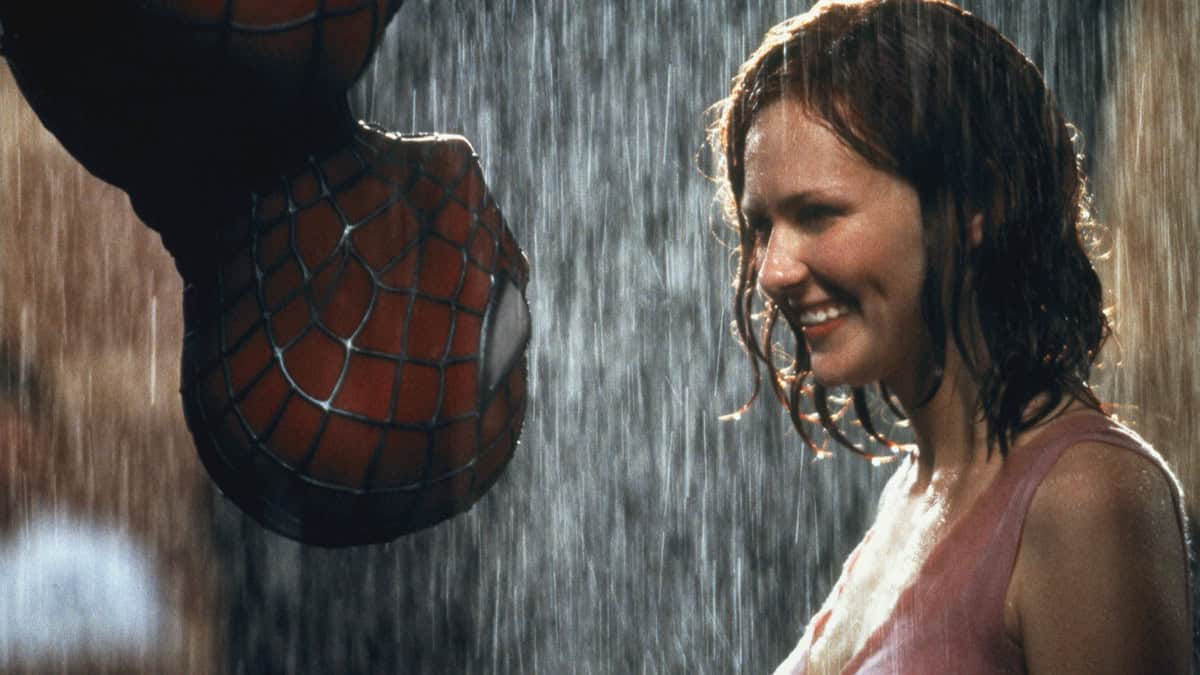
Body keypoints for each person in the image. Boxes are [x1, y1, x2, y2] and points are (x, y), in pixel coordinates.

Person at [708, 0, 1192, 672]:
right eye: (762, 226)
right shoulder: (914, 489)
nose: (772, 271)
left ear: (976, 205)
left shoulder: (1085, 497)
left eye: (817, 214)